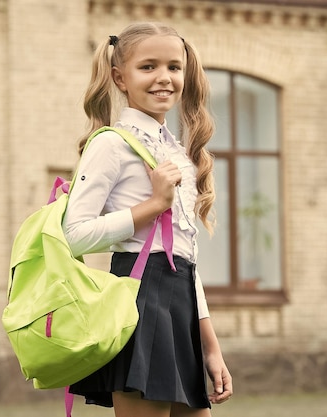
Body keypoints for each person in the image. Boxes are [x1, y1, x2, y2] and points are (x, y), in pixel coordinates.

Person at [62, 21, 233, 417]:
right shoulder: (110, 144)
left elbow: (186, 261)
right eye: (148, 67)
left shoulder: (178, 153)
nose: (164, 78)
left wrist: (210, 346)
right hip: (140, 301)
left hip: (180, 306)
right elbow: (73, 235)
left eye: (174, 67)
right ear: (120, 78)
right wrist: (153, 205)